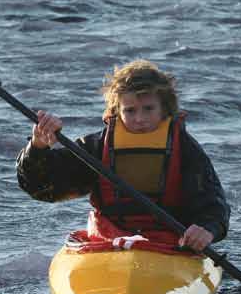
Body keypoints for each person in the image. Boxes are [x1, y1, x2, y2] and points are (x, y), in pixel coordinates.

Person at [16, 60, 229, 253]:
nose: (139, 119)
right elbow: (42, 187)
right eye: (130, 110)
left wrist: (207, 229)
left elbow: (213, 203)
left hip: (170, 242)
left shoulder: (185, 149)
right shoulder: (96, 148)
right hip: (108, 240)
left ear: (165, 108)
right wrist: (38, 145)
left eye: (148, 109)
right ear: (116, 110)